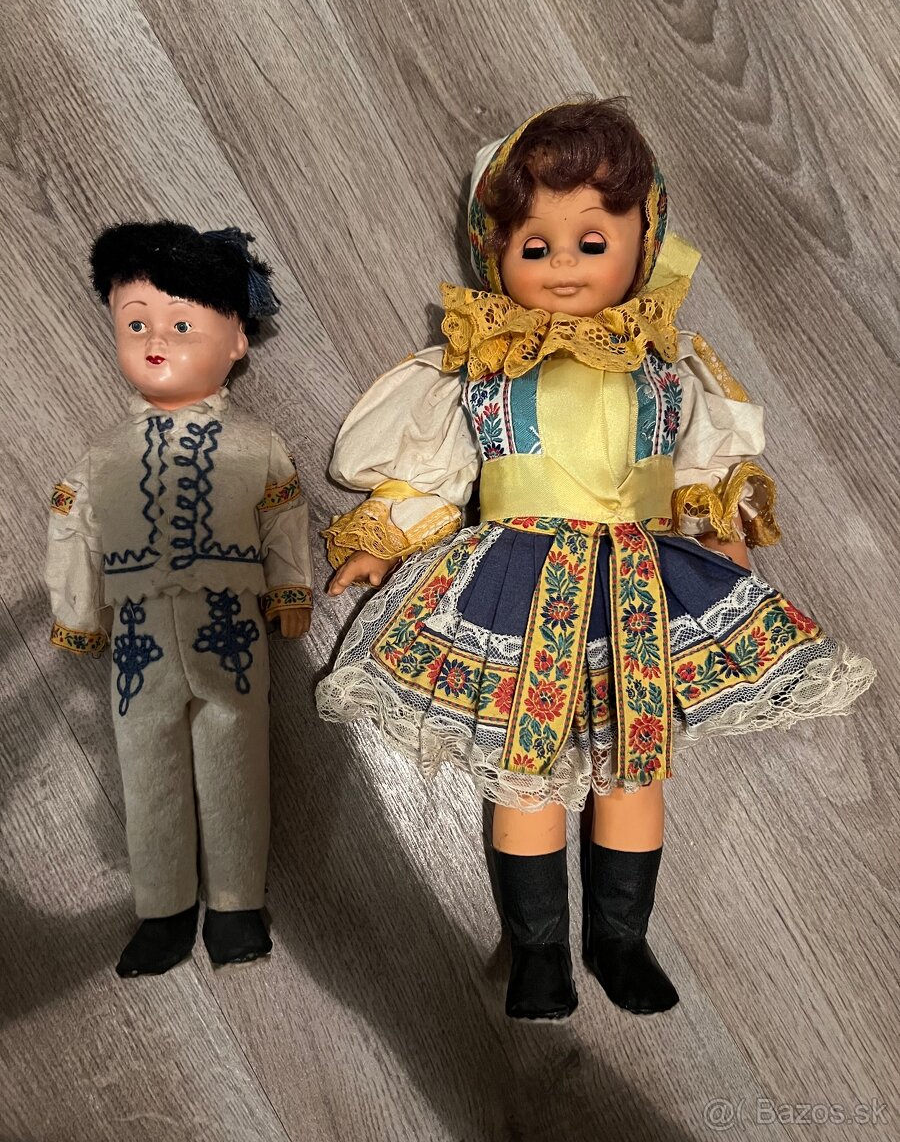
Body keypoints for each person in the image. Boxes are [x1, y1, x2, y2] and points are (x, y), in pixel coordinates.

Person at [316, 100, 874, 1020]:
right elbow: (436, 472)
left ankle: (621, 939)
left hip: (640, 587)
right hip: (514, 580)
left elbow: (702, 465)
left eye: (591, 241)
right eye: (535, 246)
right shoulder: (484, 365)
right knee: (524, 767)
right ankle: (539, 951)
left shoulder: (666, 365)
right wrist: (384, 539)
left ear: (642, 245)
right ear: (494, 253)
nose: (564, 265)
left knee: (634, 765)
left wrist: (718, 525)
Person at [46, 222, 314, 976]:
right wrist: (76, 613)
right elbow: (72, 533)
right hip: (138, 638)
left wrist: (291, 586)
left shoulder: (256, 445)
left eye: (183, 324)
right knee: (146, 768)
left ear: (238, 341)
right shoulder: (102, 456)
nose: (156, 339)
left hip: (230, 629)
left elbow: (284, 517)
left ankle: (235, 903)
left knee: (238, 762)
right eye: (136, 324)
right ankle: (162, 909)